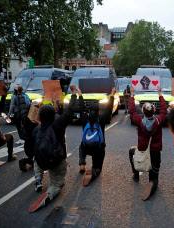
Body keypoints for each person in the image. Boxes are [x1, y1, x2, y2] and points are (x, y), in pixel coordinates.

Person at [29, 85, 78, 213]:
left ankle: (38, 179)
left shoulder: (36, 129)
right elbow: (70, 110)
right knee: (58, 184)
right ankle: (49, 194)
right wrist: (73, 92)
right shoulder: (58, 126)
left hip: (41, 161)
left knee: (37, 156)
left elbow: (31, 146)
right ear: (53, 115)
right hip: (56, 160)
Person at [128, 85, 167, 201]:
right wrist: (160, 94)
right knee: (154, 177)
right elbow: (164, 110)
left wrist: (132, 94)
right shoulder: (159, 121)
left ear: (143, 112)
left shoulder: (139, 121)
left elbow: (131, 110)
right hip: (155, 152)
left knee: (131, 152)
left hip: (142, 151)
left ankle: (136, 175)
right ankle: (152, 184)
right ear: (154, 111)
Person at [79, 87, 115, 186]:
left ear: (89, 110)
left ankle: (82, 163)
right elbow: (109, 109)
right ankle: (93, 172)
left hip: (86, 147)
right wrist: (112, 95)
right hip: (98, 149)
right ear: (99, 111)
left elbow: (81, 108)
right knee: (97, 167)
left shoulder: (85, 118)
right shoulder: (101, 119)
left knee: (81, 146)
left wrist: (80, 95)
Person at [6, 76, 32, 144]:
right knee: (24, 126)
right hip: (25, 112)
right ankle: (25, 138)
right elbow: (26, 87)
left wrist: (8, 116)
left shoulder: (13, 96)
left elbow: (11, 106)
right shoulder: (23, 94)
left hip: (17, 113)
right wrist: (30, 79)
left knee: (18, 126)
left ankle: (21, 138)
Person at [18, 102, 40, 172]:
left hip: (27, 141)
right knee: (36, 157)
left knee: (31, 157)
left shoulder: (26, 115)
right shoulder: (34, 117)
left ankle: (27, 161)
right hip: (32, 140)